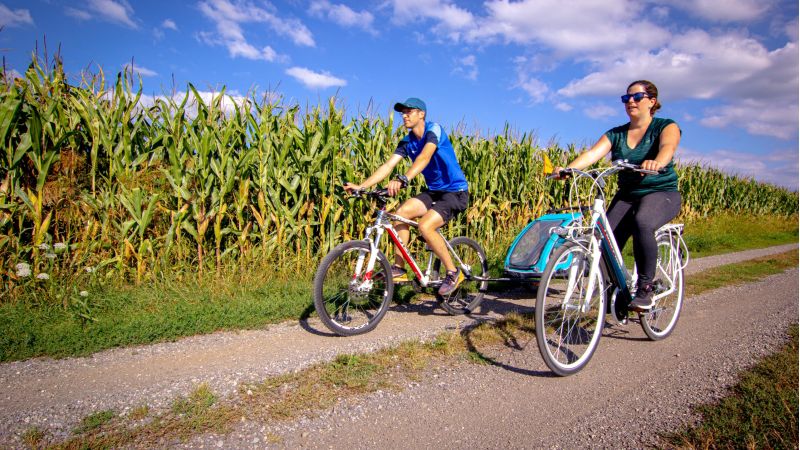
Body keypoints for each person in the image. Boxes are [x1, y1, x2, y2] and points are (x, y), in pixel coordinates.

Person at [554, 80, 682, 310]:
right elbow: (593, 153)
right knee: (604, 238)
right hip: (627, 195)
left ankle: (645, 288)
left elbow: (668, 148)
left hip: (660, 192)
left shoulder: (665, 126)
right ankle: (615, 290)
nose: (630, 101)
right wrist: (568, 169)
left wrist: (657, 162)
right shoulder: (616, 134)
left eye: (637, 97)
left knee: (643, 223)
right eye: (626, 98)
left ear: (651, 101)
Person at [343, 97, 469, 296]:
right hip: (435, 191)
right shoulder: (407, 142)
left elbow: (425, 156)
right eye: (403, 113)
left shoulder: (433, 130)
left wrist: (404, 179)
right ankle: (399, 268)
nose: (404, 116)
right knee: (400, 214)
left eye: (409, 111)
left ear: (421, 114)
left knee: (425, 226)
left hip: (455, 191)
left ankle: (453, 272)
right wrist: (362, 186)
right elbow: (388, 165)